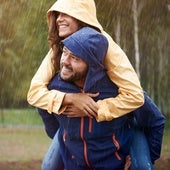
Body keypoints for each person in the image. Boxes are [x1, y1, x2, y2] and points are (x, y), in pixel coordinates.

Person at [27, 0, 165, 169]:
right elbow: (35, 93)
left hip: (122, 125)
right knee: (48, 166)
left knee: (143, 166)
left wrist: (95, 109)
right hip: (73, 134)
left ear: (82, 16)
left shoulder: (107, 48)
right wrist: (70, 99)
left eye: (66, 14)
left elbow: (136, 96)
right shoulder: (58, 49)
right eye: (58, 14)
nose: (58, 19)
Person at [39, 26, 134, 169]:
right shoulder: (54, 87)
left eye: (75, 58)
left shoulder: (119, 89)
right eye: (65, 52)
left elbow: (154, 121)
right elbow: (42, 107)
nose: (65, 61)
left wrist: (139, 155)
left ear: (92, 65)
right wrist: (65, 138)